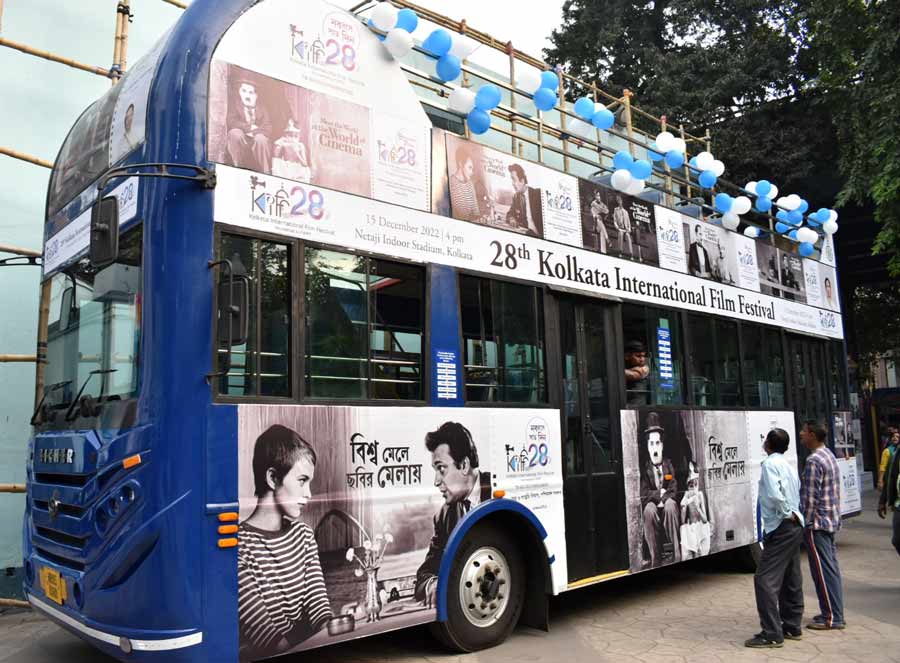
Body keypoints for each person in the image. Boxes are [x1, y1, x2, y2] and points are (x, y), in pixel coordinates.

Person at [238, 425, 332, 658]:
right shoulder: (238, 547)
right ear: (272, 478)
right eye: (302, 481)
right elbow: (268, 639)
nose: (309, 493)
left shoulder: (304, 536)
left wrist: (335, 628)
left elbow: (320, 610)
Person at [415, 421, 492, 607]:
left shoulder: (500, 492)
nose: (436, 481)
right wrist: (432, 585)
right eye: (435, 471)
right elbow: (425, 573)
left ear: (464, 465)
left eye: (441, 469)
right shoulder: (444, 517)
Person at [745, 427, 805, 649]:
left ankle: (771, 633)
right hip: (795, 525)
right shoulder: (787, 465)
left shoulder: (770, 464)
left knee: (764, 579)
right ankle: (792, 625)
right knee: (791, 576)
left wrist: (784, 513)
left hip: (782, 526)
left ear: (768, 444)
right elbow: (796, 489)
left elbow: (774, 494)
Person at [799, 420, 845, 631]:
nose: (801, 434)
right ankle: (833, 612)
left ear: (812, 435)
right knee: (830, 568)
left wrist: (804, 523)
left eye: (804, 431)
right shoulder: (829, 455)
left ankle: (832, 618)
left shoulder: (814, 461)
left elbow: (809, 499)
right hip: (830, 520)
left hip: (816, 524)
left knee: (822, 571)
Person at [640, 412, 681, 567]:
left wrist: (664, 500)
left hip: (666, 506)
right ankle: (655, 558)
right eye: (652, 444)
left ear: (662, 446)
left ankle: (677, 555)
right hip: (654, 507)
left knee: (671, 506)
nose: (655, 448)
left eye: (658, 443)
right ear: (648, 447)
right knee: (648, 510)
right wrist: (658, 496)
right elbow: (644, 494)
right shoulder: (645, 469)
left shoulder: (668, 465)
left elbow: (673, 488)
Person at [226, 78, 273, 173]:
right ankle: (237, 167)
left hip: (257, 142)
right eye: (244, 91)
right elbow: (231, 121)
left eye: (251, 93)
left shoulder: (262, 109)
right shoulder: (235, 105)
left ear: (256, 95)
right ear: (239, 92)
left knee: (261, 139)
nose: (247, 96)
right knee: (235, 133)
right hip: (242, 140)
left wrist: (255, 132)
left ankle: (265, 172)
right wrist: (249, 128)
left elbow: (268, 128)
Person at [680, 461, 710, 560]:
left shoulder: (700, 495)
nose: (693, 489)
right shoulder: (686, 495)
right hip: (690, 530)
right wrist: (683, 508)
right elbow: (682, 521)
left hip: (700, 528)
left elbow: (705, 520)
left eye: (696, 485)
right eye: (691, 486)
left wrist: (698, 508)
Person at [505, 163, 544, 237]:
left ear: (522, 181)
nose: (512, 183)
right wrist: (512, 218)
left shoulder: (538, 194)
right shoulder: (516, 197)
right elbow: (510, 213)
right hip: (527, 238)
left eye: (514, 179)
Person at [878, 437, 900, 557]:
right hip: (899, 504)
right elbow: (891, 478)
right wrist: (883, 500)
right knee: (896, 540)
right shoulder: (896, 453)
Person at [272, 117, 312, 182]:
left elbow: (305, 164)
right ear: (286, 134)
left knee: (303, 172)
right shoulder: (284, 143)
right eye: (290, 135)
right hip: (286, 168)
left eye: (296, 136)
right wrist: (280, 145)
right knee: (277, 163)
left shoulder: (300, 145)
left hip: (296, 168)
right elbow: (275, 155)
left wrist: (297, 154)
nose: (293, 138)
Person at [449, 145, 481, 222]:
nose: (472, 172)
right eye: (469, 167)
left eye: (472, 169)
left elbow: (476, 211)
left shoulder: (470, 184)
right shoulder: (451, 183)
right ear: (460, 164)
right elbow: (458, 214)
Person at [624, 340, 651, 406]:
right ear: (627, 356)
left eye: (643, 356)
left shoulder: (644, 367)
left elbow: (634, 375)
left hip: (637, 408)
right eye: (638, 356)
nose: (642, 359)